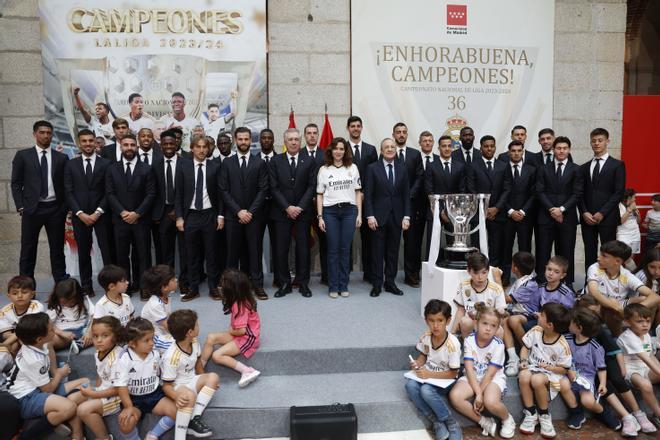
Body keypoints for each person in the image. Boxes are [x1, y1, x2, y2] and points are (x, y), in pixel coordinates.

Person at [577, 295, 657, 433]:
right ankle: (626, 416)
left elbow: (616, 351)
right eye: (590, 312)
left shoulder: (601, 330)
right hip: (591, 368)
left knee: (616, 377)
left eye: (596, 312)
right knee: (604, 383)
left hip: (607, 362)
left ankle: (638, 413)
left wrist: (621, 369)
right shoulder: (573, 332)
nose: (593, 316)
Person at [6, 313, 90, 440]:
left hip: (38, 388)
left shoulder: (39, 343)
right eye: (51, 330)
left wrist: (55, 371)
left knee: (86, 383)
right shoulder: (33, 359)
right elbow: (48, 389)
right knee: (70, 407)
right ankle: (27, 434)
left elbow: (49, 346)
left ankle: (56, 416)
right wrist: (60, 374)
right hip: (25, 398)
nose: (54, 331)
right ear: (40, 338)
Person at [11, 120, 69, 285]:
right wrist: (21, 206)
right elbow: (16, 183)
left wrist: (64, 208)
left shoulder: (62, 158)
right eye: (42, 132)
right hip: (32, 210)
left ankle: (61, 285)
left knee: (57, 249)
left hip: (55, 209)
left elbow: (66, 185)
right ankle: (26, 286)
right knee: (28, 250)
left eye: (48, 133)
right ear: (35, 134)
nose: (45, 136)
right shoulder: (23, 156)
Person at [449, 304, 515, 439]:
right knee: (455, 396)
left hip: (492, 378)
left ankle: (507, 419)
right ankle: (484, 421)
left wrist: (480, 394)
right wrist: (478, 393)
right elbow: (468, 368)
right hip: (472, 376)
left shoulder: (498, 345)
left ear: (497, 328)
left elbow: (490, 374)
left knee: (490, 401)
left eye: (493, 326)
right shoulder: (469, 340)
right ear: (476, 323)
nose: (488, 329)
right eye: (485, 323)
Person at [219, 127, 269, 300]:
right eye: (240, 139)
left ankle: (257, 286)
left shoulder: (259, 162)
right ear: (235, 140)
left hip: (254, 217)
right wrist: (238, 211)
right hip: (233, 217)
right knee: (232, 254)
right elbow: (223, 190)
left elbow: (263, 190)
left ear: (250, 141)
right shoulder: (227, 163)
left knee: (255, 253)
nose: (243, 142)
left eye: (246, 139)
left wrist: (249, 212)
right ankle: (231, 289)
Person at [269, 128, 318, 298]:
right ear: (285, 141)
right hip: (281, 213)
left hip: (303, 213)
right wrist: (287, 207)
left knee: (303, 249)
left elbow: (312, 186)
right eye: (290, 139)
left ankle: (303, 283)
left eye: (296, 139)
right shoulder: (275, 161)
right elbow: (273, 187)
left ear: (300, 141)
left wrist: (299, 207)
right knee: (281, 249)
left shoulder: (309, 161)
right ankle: (284, 284)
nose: (294, 142)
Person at [64, 128, 113, 297]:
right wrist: (79, 213)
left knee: (107, 252)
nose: (87, 144)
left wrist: (98, 212)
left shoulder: (106, 164)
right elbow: (68, 191)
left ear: (95, 142)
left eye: (90, 141)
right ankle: (86, 286)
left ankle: (110, 287)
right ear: (79, 143)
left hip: (102, 214)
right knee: (84, 252)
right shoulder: (71, 164)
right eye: (84, 141)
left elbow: (109, 191)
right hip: (80, 217)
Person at [105, 133, 156, 292]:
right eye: (126, 145)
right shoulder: (112, 168)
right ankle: (124, 288)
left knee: (143, 255)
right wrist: (123, 212)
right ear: (120, 146)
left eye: (132, 145)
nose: (129, 148)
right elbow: (110, 193)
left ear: (137, 147)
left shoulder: (147, 168)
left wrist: (137, 213)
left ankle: (144, 288)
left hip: (141, 220)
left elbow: (151, 194)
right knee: (122, 256)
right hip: (120, 220)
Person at [175, 136, 223, 301]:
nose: (202, 150)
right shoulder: (183, 166)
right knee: (191, 255)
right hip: (191, 215)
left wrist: (220, 216)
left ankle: (213, 287)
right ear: (192, 148)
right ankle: (193, 288)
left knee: (212, 254)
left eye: (205, 147)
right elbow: (178, 194)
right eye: (198, 147)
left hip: (210, 214)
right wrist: (180, 217)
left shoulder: (215, 167)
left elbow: (220, 194)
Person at [405, 300, 462, 440]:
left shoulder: (452, 344)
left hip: (446, 379)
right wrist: (417, 364)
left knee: (426, 390)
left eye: (440, 321)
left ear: (448, 321)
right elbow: (423, 356)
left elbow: (453, 373)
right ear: (426, 321)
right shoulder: (426, 337)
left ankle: (451, 422)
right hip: (429, 376)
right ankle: (436, 422)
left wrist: (429, 374)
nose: (435, 325)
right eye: (431, 321)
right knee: (410, 385)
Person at [560, 308, 622, 432]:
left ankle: (603, 412)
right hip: (567, 374)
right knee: (562, 384)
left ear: (579, 328)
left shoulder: (595, 347)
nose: (569, 324)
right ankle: (577, 413)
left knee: (588, 401)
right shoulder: (565, 338)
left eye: (571, 322)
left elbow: (601, 368)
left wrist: (603, 384)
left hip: (586, 378)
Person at [115, 317, 177, 440]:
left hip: (154, 395)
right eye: (146, 340)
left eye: (152, 338)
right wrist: (128, 407)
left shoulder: (155, 354)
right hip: (134, 400)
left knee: (178, 412)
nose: (152, 343)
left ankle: (153, 435)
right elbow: (121, 387)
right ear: (132, 343)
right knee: (126, 424)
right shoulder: (124, 359)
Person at [161, 309, 220, 439]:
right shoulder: (171, 357)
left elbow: (198, 363)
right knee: (189, 396)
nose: (199, 326)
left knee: (213, 377)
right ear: (190, 332)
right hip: (178, 386)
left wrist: (205, 380)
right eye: (197, 325)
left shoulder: (194, 342)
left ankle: (194, 419)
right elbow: (166, 386)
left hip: (192, 380)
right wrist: (176, 396)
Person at [364, 138, 411, 297]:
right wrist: (369, 215)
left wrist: (407, 216)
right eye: (386, 147)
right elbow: (368, 195)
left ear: (395, 150)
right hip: (377, 217)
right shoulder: (372, 169)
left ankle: (390, 282)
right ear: (381, 150)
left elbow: (406, 195)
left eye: (392, 147)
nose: (390, 149)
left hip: (397, 217)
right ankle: (377, 284)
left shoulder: (402, 168)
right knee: (377, 252)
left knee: (393, 252)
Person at [517, 303, 572, 438]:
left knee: (536, 379)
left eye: (542, 315)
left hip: (552, 373)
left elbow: (564, 369)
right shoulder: (536, 330)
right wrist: (523, 361)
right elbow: (525, 347)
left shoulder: (562, 345)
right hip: (533, 366)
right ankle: (531, 413)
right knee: (524, 376)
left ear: (550, 325)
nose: (538, 315)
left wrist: (550, 368)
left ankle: (544, 414)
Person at [316, 137, 362, 298]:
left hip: (349, 211)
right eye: (336, 148)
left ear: (345, 151)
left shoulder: (353, 168)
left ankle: (343, 285)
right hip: (330, 212)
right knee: (333, 250)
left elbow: (357, 192)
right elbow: (320, 195)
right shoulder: (324, 170)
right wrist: (320, 216)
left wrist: (359, 214)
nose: (338, 152)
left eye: (341, 149)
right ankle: (333, 286)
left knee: (345, 250)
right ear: (331, 151)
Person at [201, 269, 262, 387]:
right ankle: (200, 368)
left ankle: (247, 370)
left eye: (223, 285)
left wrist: (230, 330)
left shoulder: (240, 305)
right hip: (240, 334)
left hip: (247, 338)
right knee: (210, 338)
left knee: (217, 355)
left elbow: (241, 331)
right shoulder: (239, 300)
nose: (220, 287)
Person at [535, 136, 583, 285]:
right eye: (558, 148)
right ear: (554, 150)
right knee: (543, 252)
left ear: (569, 150)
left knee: (566, 253)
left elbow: (577, 193)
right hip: (545, 217)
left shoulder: (576, 169)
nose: (561, 151)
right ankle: (542, 284)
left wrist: (561, 209)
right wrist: (552, 209)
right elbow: (539, 191)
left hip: (567, 218)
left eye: (564, 148)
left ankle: (567, 285)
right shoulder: (543, 169)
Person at [585, 240, 659, 334]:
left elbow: (655, 296)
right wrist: (616, 307)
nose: (599, 258)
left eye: (604, 256)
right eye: (600, 254)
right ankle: (618, 337)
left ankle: (645, 333)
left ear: (617, 261)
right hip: (595, 303)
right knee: (609, 305)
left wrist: (633, 312)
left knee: (647, 299)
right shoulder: (595, 268)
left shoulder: (626, 275)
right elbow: (593, 292)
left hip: (620, 306)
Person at [580, 128, 626, 274]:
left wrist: (602, 213)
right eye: (593, 141)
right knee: (589, 252)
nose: (597, 143)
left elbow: (618, 193)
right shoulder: (584, 167)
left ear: (607, 141)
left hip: (608, 217)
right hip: (587, 218)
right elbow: (579, 193)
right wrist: (584, 212)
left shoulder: (617, 165)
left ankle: (608, 284)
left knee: (609, 253)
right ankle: (590, 284)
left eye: (600, 140)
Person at [505, 256, 575, 350]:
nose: (551, 273)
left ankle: (535, 350)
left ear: (562, 276)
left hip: (555, 324)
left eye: (556, 272)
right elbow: (535, 308)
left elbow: (567, 317)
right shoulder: (541, 288)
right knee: (513, 320)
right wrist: (537, 314)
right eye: (549, 269)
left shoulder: (566, 293)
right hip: (539, 318)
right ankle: (527, 350)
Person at [151, 130, 190, 297]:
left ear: (177, 144)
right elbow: (153, 191)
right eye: (165, 144)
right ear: (161, 145)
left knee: (185, 251)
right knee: (166, 252)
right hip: (163, 213)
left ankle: (185, 283)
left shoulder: (186, 163)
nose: (168, 146)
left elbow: (189, 190)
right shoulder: (155, 164)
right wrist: (157, 214)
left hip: (182, 213)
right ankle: (167, 284)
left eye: (171, 143)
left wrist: (179, 210)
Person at [76, 316, 123, 440]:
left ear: (116, 336)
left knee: (83, 410)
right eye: (95, 336)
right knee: (72, 398)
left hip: (117, 399)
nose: (99, 340)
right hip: (103, 391)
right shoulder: (98, 353)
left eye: (105, 336)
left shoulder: (118, 358)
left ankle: (104, 437)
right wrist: (95, 391)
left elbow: (119, 390)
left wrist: (94, 395)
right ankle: (77, 436)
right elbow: (100, 375)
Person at [424, 135, 471, 261]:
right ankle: (433, 270)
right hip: (435, 212)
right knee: (433, 243)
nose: (446, 148)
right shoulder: (431, 165)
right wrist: (440, 211)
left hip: (454, 213)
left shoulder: (460, 166)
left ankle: (453, 267)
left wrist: (450, 211)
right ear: (439, 148)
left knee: (454, 243)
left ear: (453, 147)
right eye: (443, 146)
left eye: (449, 146)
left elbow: (462, 191)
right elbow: (429, 190)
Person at [391, 123, 424, 287]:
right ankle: (389, 276)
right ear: (393, 135)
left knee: (412, 243)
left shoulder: (415, 154)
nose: (401, 135)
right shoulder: (388, 152)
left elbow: (420, 177)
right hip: (392, 206)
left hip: (411, 205)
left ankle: (412, 275)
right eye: (398, 132)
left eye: (404, 132)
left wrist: (409, 194)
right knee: (392, 242)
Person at [617, 304, 660, 426]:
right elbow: (646, 359)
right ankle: (658, 414)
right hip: (631, 371)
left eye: (648, 321)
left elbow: (650, 355)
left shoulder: (646, 335)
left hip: (645, 369)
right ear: (627, 322)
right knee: (645, 385)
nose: (645, 325)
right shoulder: (628, 337)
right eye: (640, 321)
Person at [471, 135, 511, 268]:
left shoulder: (503, 166)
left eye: (491, 146)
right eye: (486, 146)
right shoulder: (473, 165)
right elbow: (470, 188)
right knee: (476, 245)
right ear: (480, 148)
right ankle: (477, 271)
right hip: (478, 212)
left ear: (495, 147)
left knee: (496, 246)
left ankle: (493, 273)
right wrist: (483, 208)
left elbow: (507, 189)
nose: (489, 149)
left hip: (497, 213)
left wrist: (496, 208)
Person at [347, 116, 378, 282]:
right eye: (353, 126)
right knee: (346, 239)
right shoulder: (341, 148)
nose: (356, 129)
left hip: (367, 200)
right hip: (345, 200)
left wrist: (365, 192)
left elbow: (375, 174)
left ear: (362, 128)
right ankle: (345, 274)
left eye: (358, 126)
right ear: (348, 128)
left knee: (368, 239)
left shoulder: (371, 149)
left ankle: (369, 273)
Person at [501, 140, 536, 284]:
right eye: (513, 151)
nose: (516, 153)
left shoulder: (531, 170)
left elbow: (534, 194)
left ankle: (525, 279)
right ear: (509, 152)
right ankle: (505, 278)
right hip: (507, 215)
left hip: (524, 217)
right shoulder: (502, 168)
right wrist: (510, 211)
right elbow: (500, 192)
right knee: (506, 248)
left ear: (523, 152)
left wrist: (522, 211)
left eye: (519, 150)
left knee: (525, 249)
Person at [405, 131, 435, 287]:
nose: (427, 143)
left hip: (433, 208)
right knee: (413, 242)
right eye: (424, 140)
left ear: (433, 142)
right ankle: (412, 274)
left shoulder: (437, 160)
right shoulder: (412, 157)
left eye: (430, 140)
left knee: (433, 241)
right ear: (419, 142)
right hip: (414, 206)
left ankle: (432, 274)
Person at [451, 252, 506, 338]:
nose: (480, 277)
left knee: (499, 330)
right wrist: (452, 334)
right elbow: (460, 310)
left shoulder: (496, 289)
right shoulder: (464, 286)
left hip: (489, 323)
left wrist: (493, 320)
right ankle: (467, 347)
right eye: (476, 273)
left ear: (488, 271)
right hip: (472, 322)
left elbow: (501, 318)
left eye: (484, 273)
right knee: (465, 322)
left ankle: (493, 350)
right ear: (469, 271)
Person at [300, 123, 328, 285]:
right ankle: (302, 278)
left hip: (322, 207)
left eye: (314, 133)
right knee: (302, 243)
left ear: (318, 135)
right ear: (304, 135)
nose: (312, 136)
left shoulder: (326, 155)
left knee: (325, 242)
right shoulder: (299, 153)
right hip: (303, 207)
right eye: (308, 133)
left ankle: (327, 276)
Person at [503, 251, 537, 376]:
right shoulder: (520, 280)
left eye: (512, 264)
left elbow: (506, 299)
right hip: (516, 312)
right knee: (503, 318)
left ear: (515, 268)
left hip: (530, 315)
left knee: (513, 320)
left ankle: (528, 351)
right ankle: (513, 357)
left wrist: (495, 279)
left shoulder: (530, 284)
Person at [46, 278, 94, 352]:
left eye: (71, 302)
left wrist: (89, 332)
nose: (68, 304)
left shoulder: (84, 299)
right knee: (47, 342)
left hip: (83, 330)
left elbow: (95, 315)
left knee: (107, 327)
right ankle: (80, 343)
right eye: (64, 302)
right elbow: (47, 322)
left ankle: (80, 343)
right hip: (63, 333)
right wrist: (62, 333)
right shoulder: (56, 305)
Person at [0, 275, 45, 354]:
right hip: (15, 338)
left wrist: (6, 343)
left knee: (20, 343)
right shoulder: (4, 311)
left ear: (32, 294)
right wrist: (17, 339)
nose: (20, 296)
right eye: (15, 293)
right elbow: (6, 334)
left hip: (34, 335)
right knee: (14, 345)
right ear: (9, 296)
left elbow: (30, 329)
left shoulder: (37, 306)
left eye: (24, 292)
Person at [140, 265, 177, 354]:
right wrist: (180, 335)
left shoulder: (166, 297)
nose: (176, 280)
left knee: (189, 339)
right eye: (173, 279)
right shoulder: (155, 304)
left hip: (163, 332)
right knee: (181, 345)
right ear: (164, 287)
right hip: (153, 337)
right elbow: (167, 325)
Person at [257, 128, 277, 285]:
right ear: (260, 141)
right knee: (255, 245)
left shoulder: (280, 159)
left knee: (278, 246)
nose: (266, 140)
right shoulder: (254, 159)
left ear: (273, 140)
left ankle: (279, 278)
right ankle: (257, 280)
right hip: (257, 210)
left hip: (277, 209)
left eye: (269, 138)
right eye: (263, 138)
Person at [618, 189, 642, 269]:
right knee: (626, 258)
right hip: (623, 235)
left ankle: (628, 278)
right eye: (634, 197)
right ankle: (635, 274)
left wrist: (636, 211)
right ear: (628, 197)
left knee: (631, 258)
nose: (635, 199)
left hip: (635, 234)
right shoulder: (619, 206)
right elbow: (620, 221)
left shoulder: (634, 206)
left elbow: (639, 221)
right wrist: (630, 210)